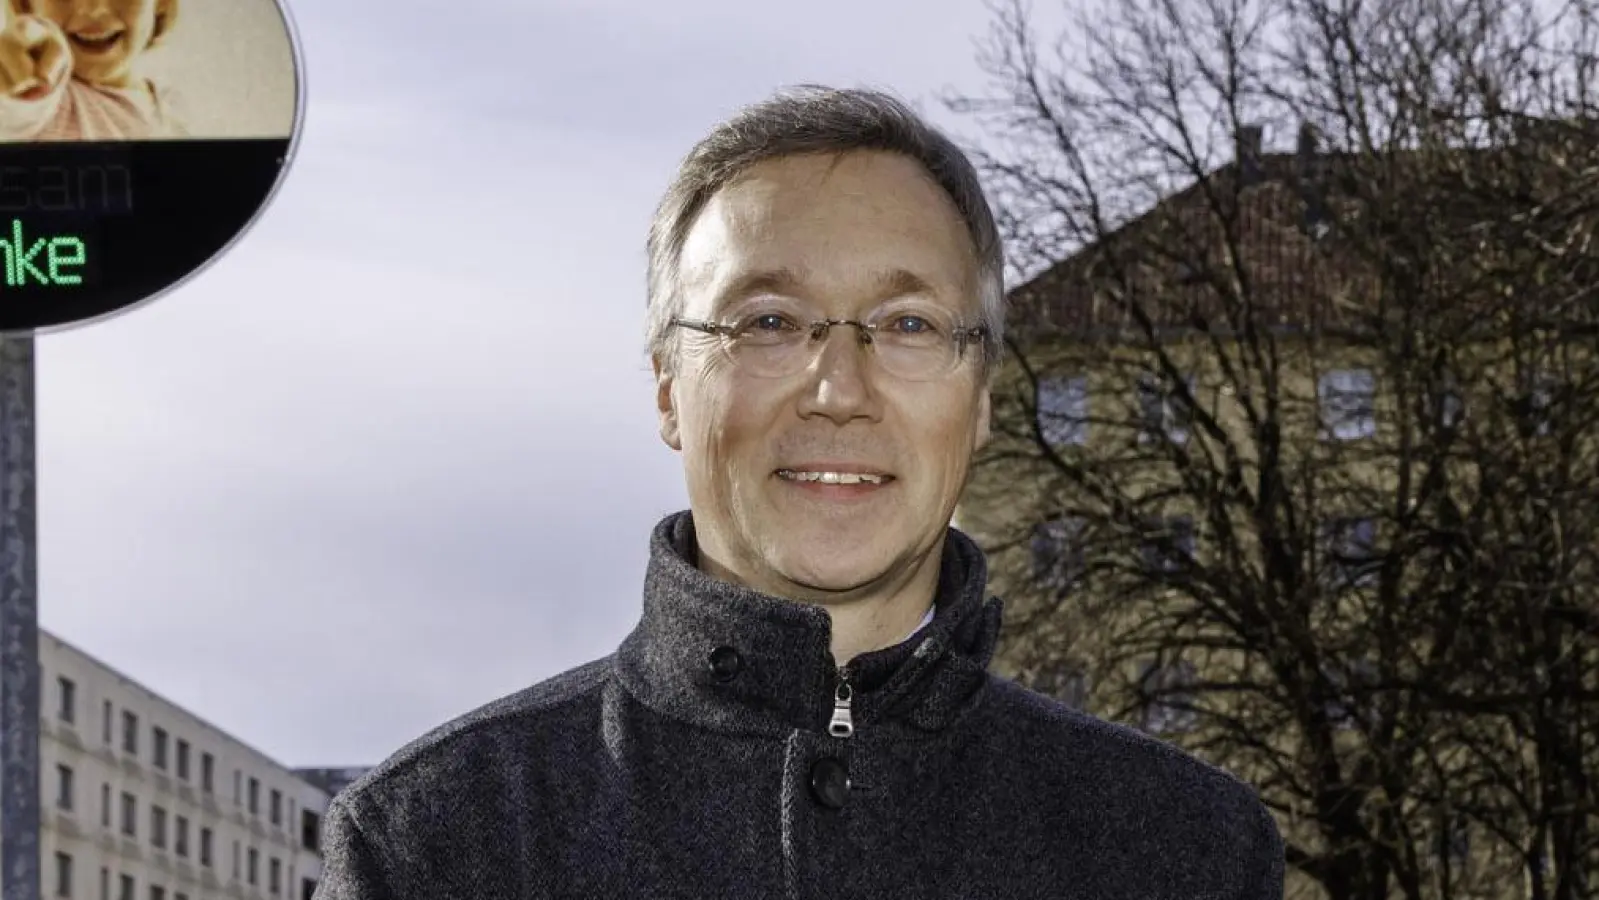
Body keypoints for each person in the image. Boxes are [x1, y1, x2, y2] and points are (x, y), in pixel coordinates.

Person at [313, 85, 1286, 899]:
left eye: (907, 325)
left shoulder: (1190, 852)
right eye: (770, 322)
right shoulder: (441, 844)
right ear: (667, 389)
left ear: (981, 399)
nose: (839, 390)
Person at [0, 0, 186, 142]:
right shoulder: (48, 102)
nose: (93, 8)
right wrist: (19, 77)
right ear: (26, 4)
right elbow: (14, 112)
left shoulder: (172, 112)